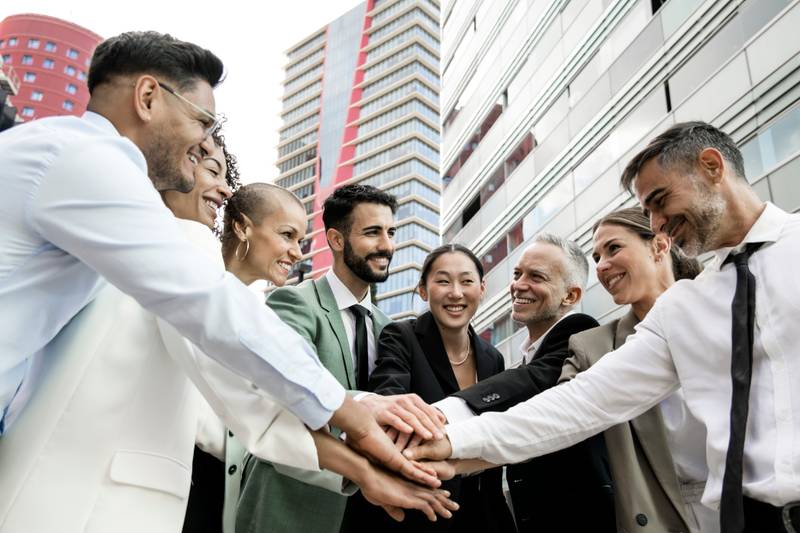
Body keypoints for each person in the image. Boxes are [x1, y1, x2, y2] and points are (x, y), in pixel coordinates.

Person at [0, 30, 439, 490]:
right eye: (201, 120)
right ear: (148, 96)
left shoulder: (66, 158)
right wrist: (350, 413)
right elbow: (209, 303)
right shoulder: (85, 161)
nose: (204, 142)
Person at [0, 133, 454, 533]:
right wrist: (356, 421)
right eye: (207, 166)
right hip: (95, 498)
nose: (223, 188)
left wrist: (358, 455)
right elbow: (248, 392)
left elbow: (237, 408)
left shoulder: (121, 246)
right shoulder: (179, 249)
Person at [406, 122, 800, 533]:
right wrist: (450, 442)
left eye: (661, 201)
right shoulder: (684, 309)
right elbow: (582, 403)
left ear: (712, 167)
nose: (660, 223)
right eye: (649, 213)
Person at [235, 184, 447, 533]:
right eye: (372, 233)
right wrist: (366, 403)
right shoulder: (294, 303)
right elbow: (284, 392)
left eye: (391, 233)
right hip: (291, 505)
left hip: (368, 511)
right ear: (335, 239)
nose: (387, 246)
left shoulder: (390, 329)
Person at [433, 236, 613, 532]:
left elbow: (533, 381)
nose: (519, 285)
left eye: (536, 276)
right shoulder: (527, 356)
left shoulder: (580, 335)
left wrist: (440, 415)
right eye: (517, 274)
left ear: (570, 296)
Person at [559, 206, 716, 532]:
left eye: (613, 248)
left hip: (749, 503)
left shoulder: (723, 310)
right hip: (660, 515)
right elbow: (558, 415)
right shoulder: (592, 346)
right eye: (596, 257)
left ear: (659, 245)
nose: (601, 266)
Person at [353, 244, 516, 532]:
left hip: (482, 511)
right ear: (423, 291)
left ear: (481, 288)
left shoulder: (493, 358)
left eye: (466, 281)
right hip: (421, 507)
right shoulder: (401, 336)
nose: (455, 292)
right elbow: (390, 404)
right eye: (443, 281)